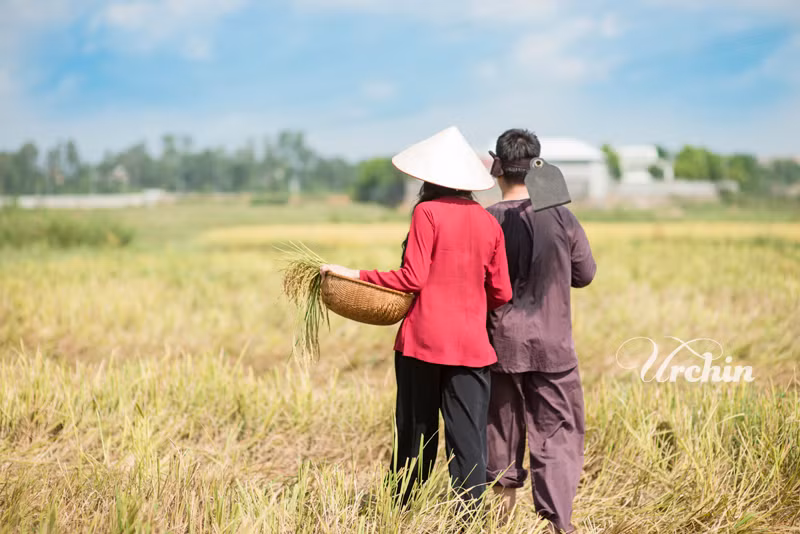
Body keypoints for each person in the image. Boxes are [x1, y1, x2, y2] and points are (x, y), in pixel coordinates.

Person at [320, 126, 512, 506]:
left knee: (414, 434)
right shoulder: (488, 221)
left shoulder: (427, 212)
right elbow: (503, 291)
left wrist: (353, 274)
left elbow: (412, 277)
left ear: (430, 178)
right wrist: (470, 307)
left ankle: (403, 510)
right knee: (469, 440)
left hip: (422, 345)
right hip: (472, 349)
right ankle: (468, 521)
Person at [485, 128, 596, 533]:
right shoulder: (561, 216)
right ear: (537, 166)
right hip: (553, 348)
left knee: (499, 435)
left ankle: (498, 524)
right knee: (557, 436)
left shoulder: (485, 219)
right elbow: (584, 274)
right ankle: (558, 526)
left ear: (496, 165)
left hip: (498, 346)